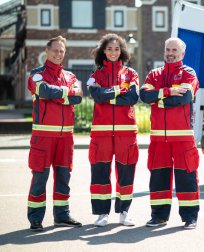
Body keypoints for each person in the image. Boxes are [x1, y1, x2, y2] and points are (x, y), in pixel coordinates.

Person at [140, 37, 200, 230]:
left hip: (182, 137)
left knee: (187, 177)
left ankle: (190, 218)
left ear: (182, 54)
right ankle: (158, 217)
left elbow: (185, 97)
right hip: (159, 139)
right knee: (158, 177)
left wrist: (158, 99)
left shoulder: (188, 73)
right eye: (168, 49)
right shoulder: (154, 74)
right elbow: (144, 96)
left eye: (174, 50)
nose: (170, 53)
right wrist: (166, 92)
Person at [27, 36, 83, 231]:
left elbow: (78, 98)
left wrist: (58, 94)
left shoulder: (71, 76)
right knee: (40, 178)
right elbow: (43, 91)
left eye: (61, 51)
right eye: (55, 50)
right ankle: (35, 218)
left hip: (66, 138)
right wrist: (66, 93)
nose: (58, 54)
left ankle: (62, 216)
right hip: (43, 138)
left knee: (63, 178)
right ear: (47, 51)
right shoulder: (36, 74)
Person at [87, 33, 139, 227]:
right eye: (109, 49)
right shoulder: (95, 76)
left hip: (126, 132)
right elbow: (97, 96)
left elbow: (133, 97)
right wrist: (119, 90)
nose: (113, 52)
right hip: (101, 134)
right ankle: (102, 213)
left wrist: (108, 93)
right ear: (103, 51)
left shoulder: (131, 74)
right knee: (100, 173)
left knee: (126, 173)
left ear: (122, 51)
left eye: (117, 49)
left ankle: (124, 212)